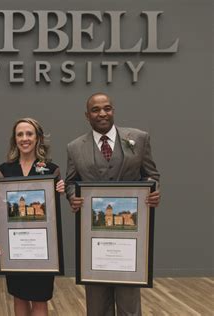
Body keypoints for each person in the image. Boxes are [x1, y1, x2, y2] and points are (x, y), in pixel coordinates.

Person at [65, 93, 161, 316]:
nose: (102, 114)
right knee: (97, 304)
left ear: (113, 111)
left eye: (107, 108)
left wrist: (153, 190)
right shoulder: (74, 147)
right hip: (94, 237)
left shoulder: (139, 138)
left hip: (130, 237)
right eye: (96, 110)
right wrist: (72, 196)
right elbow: (71, 182)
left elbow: (151, 174)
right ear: (87, 115)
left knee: (129, 302)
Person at [0, 118, 65, 316]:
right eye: (20, 134)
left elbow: (52, 207)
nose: (25, 138)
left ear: (38, 138)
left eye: (29, 134)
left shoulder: (52, 170)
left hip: (42, 247)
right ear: (14, 140)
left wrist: (60, 189)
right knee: (19, 296)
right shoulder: (4, 170)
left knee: (40, 298)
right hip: (15, 245)